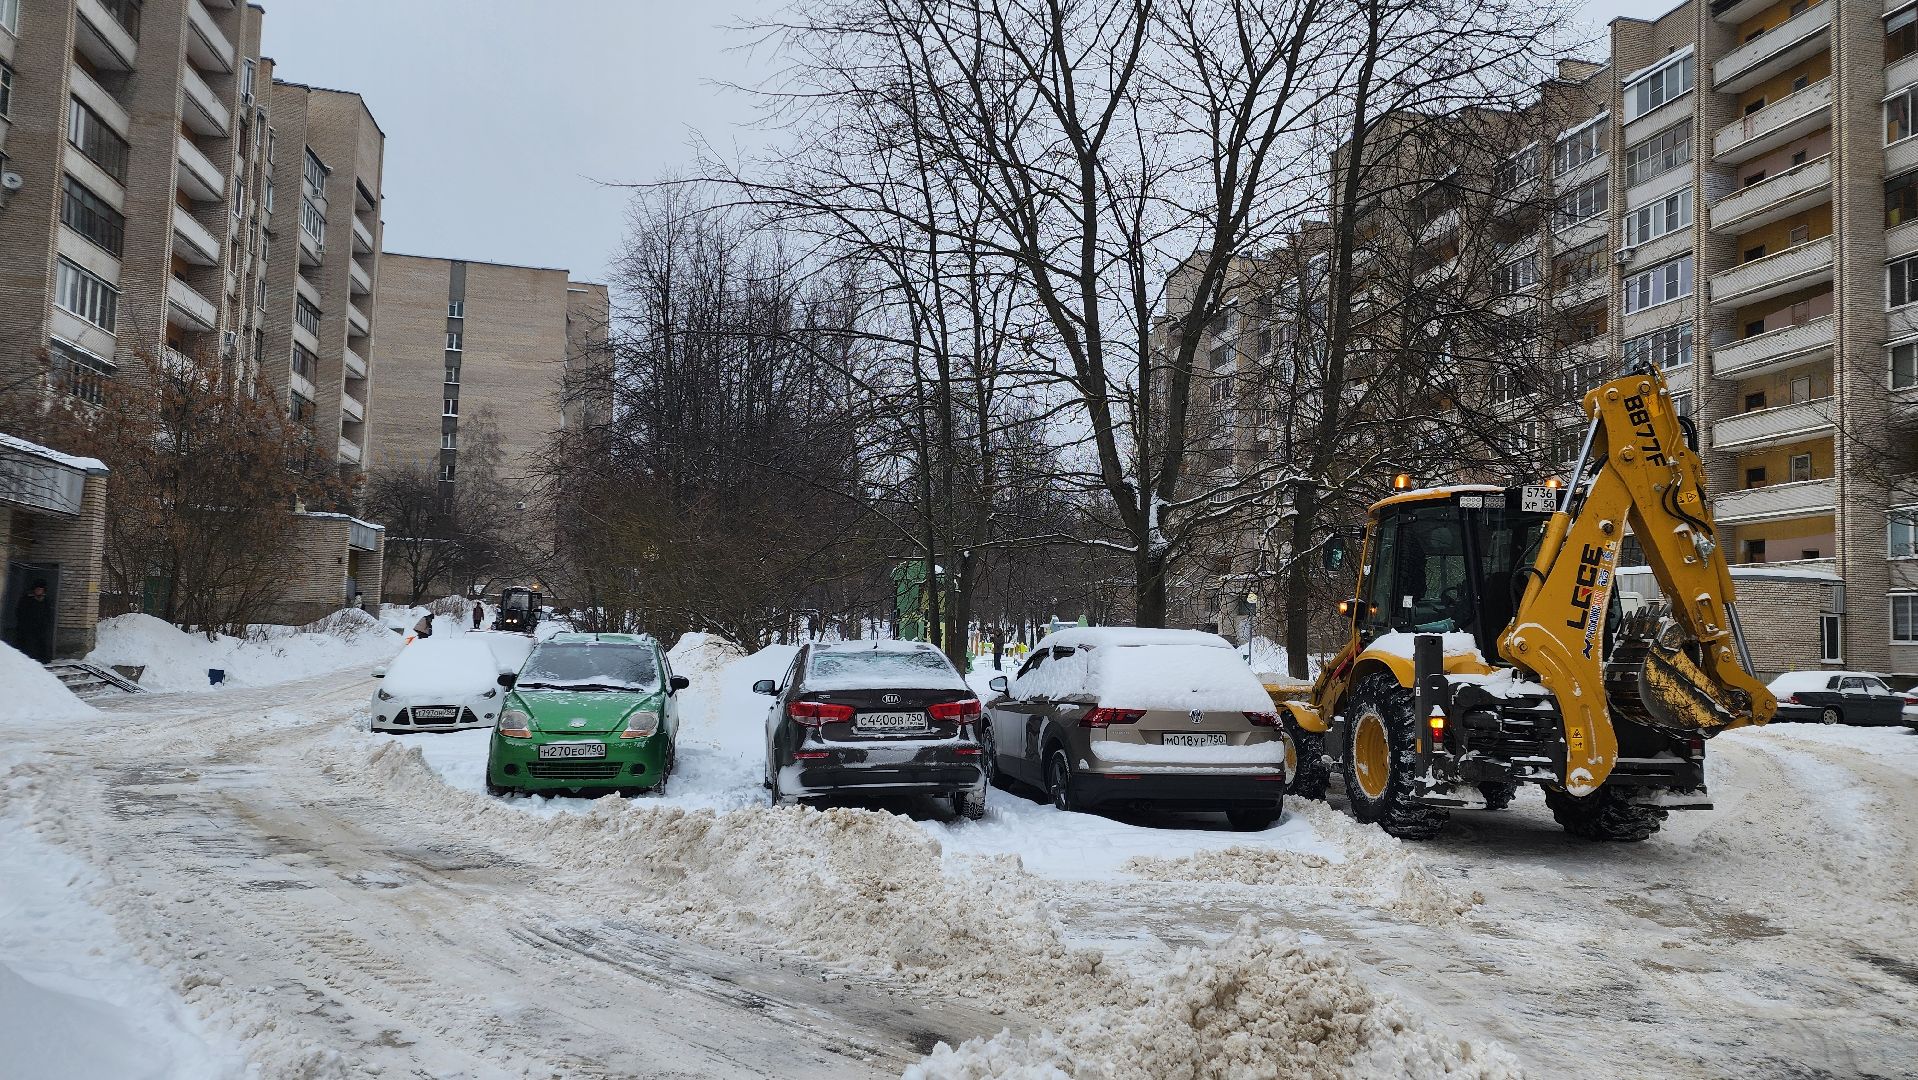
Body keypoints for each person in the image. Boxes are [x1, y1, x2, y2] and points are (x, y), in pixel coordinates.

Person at [11, 582, 55, 662]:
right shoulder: (27, 599)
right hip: (28, 627)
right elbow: (20, 611)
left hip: (41, 627)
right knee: (28, 644)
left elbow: (49, 613)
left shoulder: (46, 600)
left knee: (41, 643)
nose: (39, 591)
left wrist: (46, 622)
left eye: (41, 590)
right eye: (37, 589)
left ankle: (42, 659)